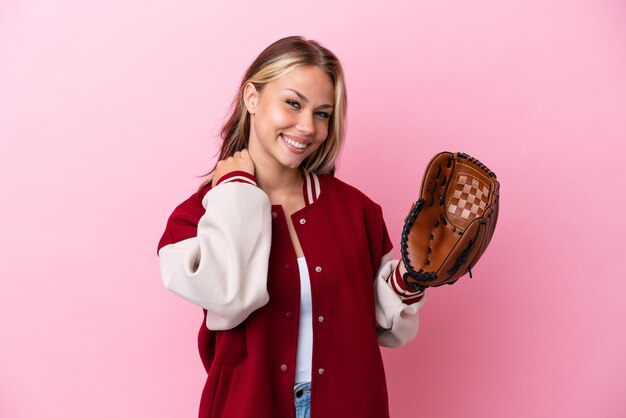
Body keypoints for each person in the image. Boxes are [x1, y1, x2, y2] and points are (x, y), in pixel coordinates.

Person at [156, 35, 426, 418]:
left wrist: (411, 280)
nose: (307, 127)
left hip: (350, 405)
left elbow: (385, 328)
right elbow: (231, 300)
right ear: (252, 97)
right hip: (248, 408)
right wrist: (237, 192)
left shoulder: (357, 211)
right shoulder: (192, 219)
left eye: (322, 113)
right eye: (293, 103)